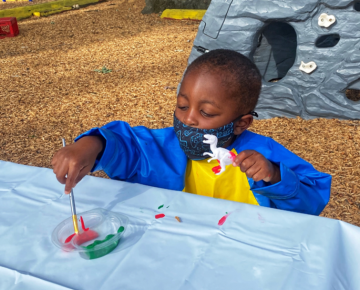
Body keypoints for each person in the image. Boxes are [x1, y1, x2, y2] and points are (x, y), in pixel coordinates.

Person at [52, 49, 331, 215]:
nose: (188, 120)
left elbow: (313, 197)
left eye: (206, 113)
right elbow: (128, 145)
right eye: (182, 106)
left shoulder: (265, 153)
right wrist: (91, 144)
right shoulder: (163, 146)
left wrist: (274, 175)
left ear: (241, 123)